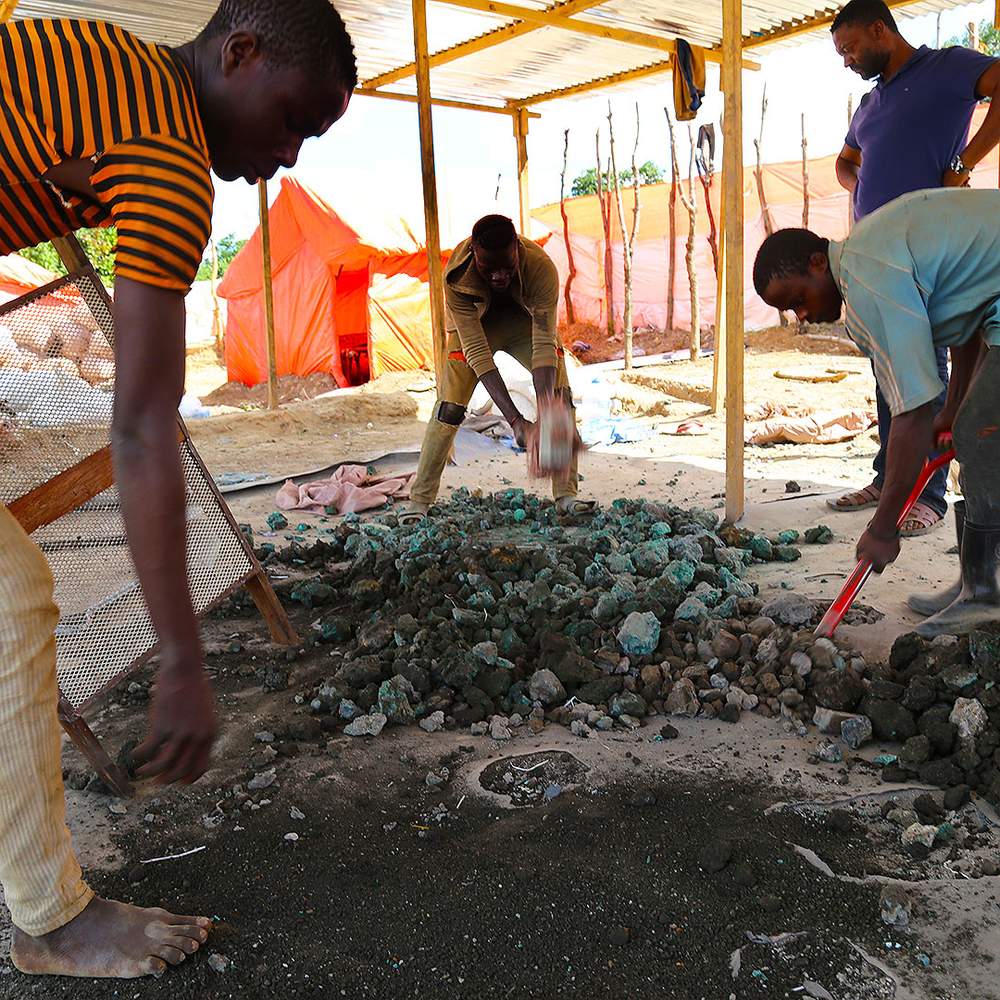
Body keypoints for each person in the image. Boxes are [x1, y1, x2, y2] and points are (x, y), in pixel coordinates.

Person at [0, 1, 355, 980]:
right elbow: (144, 426)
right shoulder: (165, 150)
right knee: (10, 599)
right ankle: (49, 919)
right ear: (237, 52)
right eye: (291, 120)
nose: (285, 156)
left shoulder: (103, 60)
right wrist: (184, 659)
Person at [753, 188, 1000, 637]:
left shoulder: (866, 278)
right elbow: (967, 314)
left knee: (985, 437)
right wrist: (956, 404)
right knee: (973, 426)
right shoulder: (871, 250)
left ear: (817, 263)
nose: (802, 315)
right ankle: (977, 583)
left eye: (797, 300)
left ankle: (987, 594)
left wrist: (884, 528)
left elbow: (912, 412)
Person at [825, 0, 1000, 544]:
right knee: (893, 368)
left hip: (933, 254)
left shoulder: (948, 67)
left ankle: (928, 496)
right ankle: (889, 480)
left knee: (931, 377)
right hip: (881, 254)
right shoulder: (870, 103)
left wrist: (963, 164)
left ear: (881, 29)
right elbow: (844, 161)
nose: (848, 60)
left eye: (851, 47)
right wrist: (862, 186)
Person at [405, 215, 592, 521]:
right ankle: (420, 501)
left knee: (560, 397)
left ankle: (566, 496)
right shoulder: (456, 278)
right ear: (474, 253)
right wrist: (517, 422)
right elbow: (478, 354)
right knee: (449, 409)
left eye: (507, 266)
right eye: (488, 268)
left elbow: (544, 342)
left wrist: (546, 413)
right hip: (476, 328)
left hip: (523, 321)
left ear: (517, 248)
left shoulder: (541, 267)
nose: (499, 276)